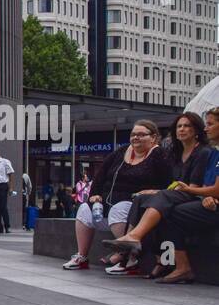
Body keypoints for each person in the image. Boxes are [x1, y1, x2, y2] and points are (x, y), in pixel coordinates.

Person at [104, 112, 215, 276]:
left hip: (193, 194)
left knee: (160, 200)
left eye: (187, 126)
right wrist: (157, 191)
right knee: (141, 198)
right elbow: (172, 184)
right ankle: (156, 257)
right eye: (179, 126)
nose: (182, 129)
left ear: (197, 130)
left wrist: (162, 192)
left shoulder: (203, 152)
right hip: (177, 193)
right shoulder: (176, 153)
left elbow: (192, 186)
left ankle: (132, 241)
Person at [62, 120, 172, 270]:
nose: (136, 138)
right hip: (107, 201)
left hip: (136, 206)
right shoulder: (121, 152)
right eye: (133, 134)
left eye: (141, 135)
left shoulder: (159, 155)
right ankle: (82, 256)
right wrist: (95, 195)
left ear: (153, 138)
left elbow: (168, 183)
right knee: (84, 210)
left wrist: (154, 192)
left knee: (118, 210)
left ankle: (130, 258)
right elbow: (100, 175)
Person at [154, 136, 219, 284]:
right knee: (165, 208)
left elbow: (217, 189)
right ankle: (169, 263)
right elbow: (209, 185)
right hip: (208, 201)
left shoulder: (207, 153)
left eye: (210, 124)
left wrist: (190, 189)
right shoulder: (213, 153)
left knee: (171, 211)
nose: (206, 129)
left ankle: (178, 266)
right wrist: (207, 196)